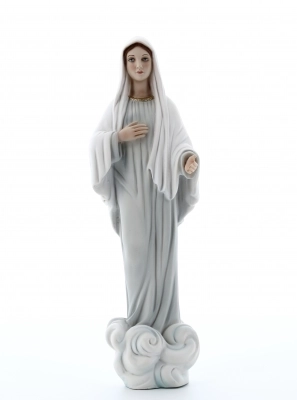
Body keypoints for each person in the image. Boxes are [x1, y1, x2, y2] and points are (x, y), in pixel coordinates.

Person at [89, 36, 200, 336]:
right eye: (132, 60)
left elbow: (181, 144)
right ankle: (138, 324)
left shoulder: (166, 108)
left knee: (163, 259)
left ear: (153, 64)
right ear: (124, 66)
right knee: (136, 255)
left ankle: (164, 327)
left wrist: (187, 160)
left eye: (144, 59)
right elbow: (95, 142)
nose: (138, 65)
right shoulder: (118, 108)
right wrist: (118, 137)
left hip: (160, 193)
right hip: (130, 191)